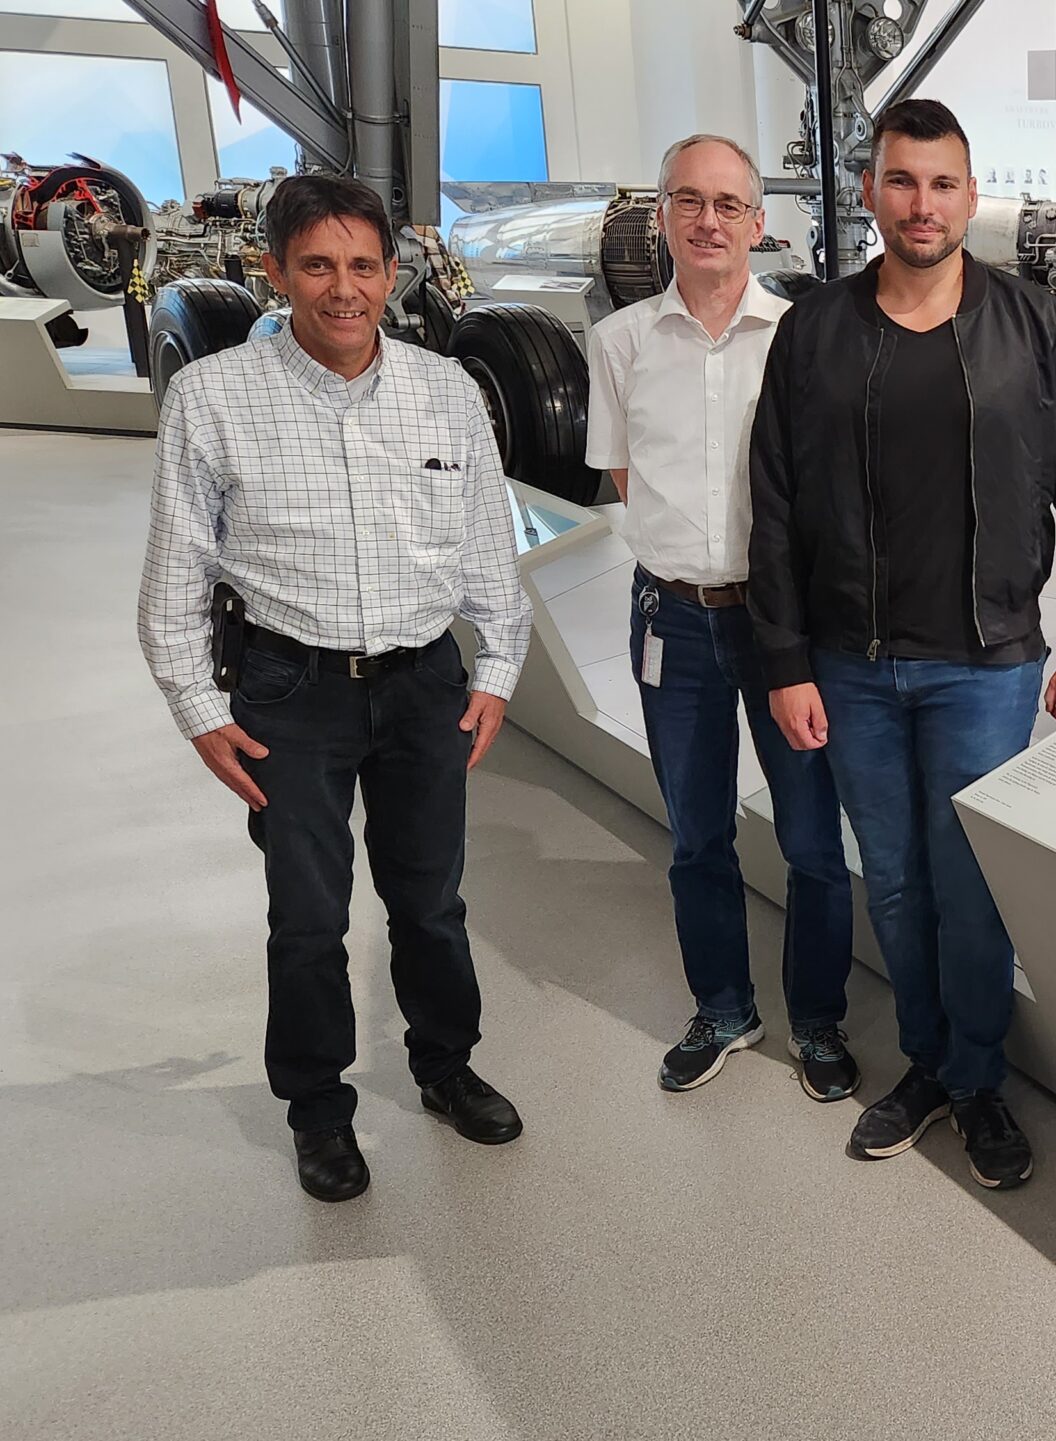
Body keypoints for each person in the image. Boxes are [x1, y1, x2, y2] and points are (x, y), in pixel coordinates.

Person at [748, 98, 1056, 1190]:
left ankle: (976, 1078)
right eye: (903, 181)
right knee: (901, 884)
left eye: (944, 183)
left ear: (971, 196)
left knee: (969, 884)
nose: (923, 204)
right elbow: (771, 502)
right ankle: (925, 1062)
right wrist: (782, 658)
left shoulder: (1031, 326)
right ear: (870, 192)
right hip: (851, 665)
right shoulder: (814, 329)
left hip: (986, 663)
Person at [137, 174, 532, 1202]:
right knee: (308, 917)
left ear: (392, 276)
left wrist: (494, 671)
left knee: (432, 902)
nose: (343, 289)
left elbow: (491, 552)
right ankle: (319, 1109)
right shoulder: (213, 396)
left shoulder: (445, 390)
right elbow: (175, 575)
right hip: (288, 687)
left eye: (363, 265)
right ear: (274, 272)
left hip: (422, 688)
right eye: (317, 265)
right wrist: (200, 711)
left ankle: (445, 1065)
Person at [585, 135, 858, 1101]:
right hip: (673, 623)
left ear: (758, 221)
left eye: (728, 205)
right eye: (688, 201)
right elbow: (621, 473)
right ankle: (726, 1006)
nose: (708, 221)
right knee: (697, 833)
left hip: (786, 629)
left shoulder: (801, 338)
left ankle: (817, 1019)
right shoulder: (619, 343)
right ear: (660, 213)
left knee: (813, 839)